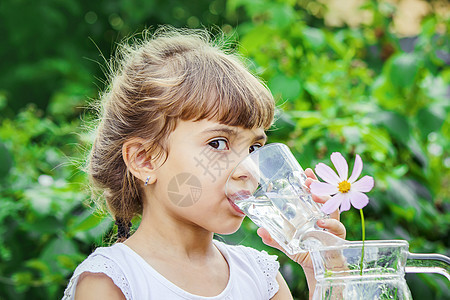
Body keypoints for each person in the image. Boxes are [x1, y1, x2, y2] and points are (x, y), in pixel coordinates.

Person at [62, 27, 346, 300]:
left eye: (255, 147)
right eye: (218, 143)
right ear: (145, 160)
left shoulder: (261, 278)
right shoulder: (112, 281)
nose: (249, 169)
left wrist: (326, 271)